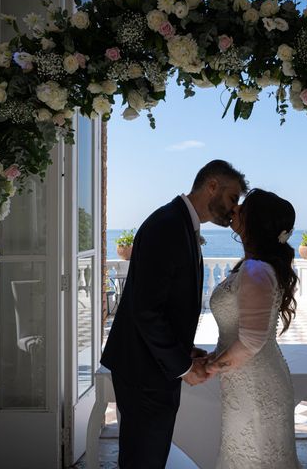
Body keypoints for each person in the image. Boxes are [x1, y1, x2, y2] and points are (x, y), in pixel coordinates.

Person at [100, 160, 248, 468]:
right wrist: (183, 366)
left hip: (150, 365)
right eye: (233, 198)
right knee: (143, 459)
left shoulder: (178, 222)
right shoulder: (168, 225)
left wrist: (185, 350)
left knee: (150, 456)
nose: (235, 209)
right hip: (143, 372)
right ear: (212, 187)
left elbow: (163, 304)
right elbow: (146, 311)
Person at [205, 188, 301, 469]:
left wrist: (210, 367)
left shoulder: (256, 270)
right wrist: (212, 358)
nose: (235, 210)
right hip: (244, 381)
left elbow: (250, 341)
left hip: (256, 385)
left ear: (255, 222)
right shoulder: (255, 267)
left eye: (243, 209)